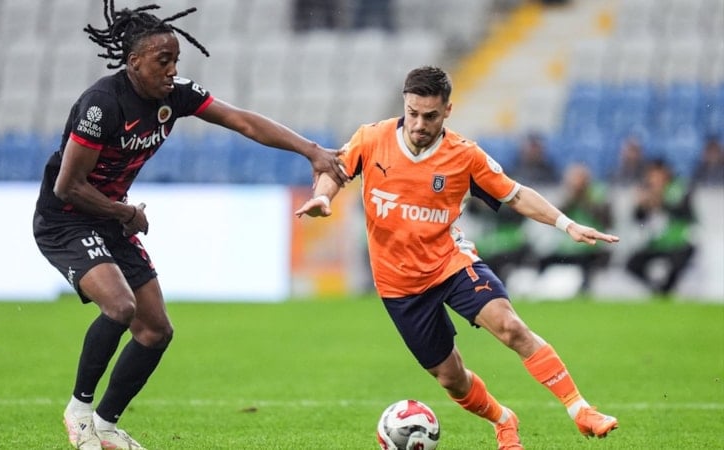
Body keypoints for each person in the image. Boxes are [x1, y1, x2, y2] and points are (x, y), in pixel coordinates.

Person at [32, 2, 348, 449]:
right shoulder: (102, 104)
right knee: (120, 308)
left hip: (112, 217)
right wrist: (126, 214)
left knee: (155, 331)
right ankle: (79, 412)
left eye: (176, 60)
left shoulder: (174, 96)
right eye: (163, 61)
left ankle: (105, 425)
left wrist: (311, 150)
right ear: (133, 61)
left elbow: (242, 121)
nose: (173, 70)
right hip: (65, 219)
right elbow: (68, 186)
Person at [295, 66, 619, 449]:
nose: (419, 124)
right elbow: (335, 171)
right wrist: (323, 197)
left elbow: (515, 194)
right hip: (399, 286)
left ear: (447, 110)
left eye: (430, 116)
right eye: (413, 113)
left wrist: (567, 225)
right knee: (452, 378)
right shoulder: (371, 139)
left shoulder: (464, 156)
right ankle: (503, 419)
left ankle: (580, 409)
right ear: (405, 104)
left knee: (511, 326)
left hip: (451, 264)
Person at [537, 163, 613, 293]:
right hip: (567, 245)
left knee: (590, 263)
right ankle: (539, 287)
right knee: (542, 258)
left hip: (590, 246)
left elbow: (607, 221)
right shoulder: (565, 197)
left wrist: (585, 200)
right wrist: (572, 198)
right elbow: (556, 217)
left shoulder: (598, 197)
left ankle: (585, 290)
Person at [625, 159, 696, 296]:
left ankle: (666, 291)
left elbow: (684, 212)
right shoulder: (647, 191)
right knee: (632, 264)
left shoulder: (679, 188)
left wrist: (660, 199)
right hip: (657, 242)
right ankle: (657, 290)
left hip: (679, 241)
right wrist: (641, 205)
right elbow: (638, 218)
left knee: (677, 263)